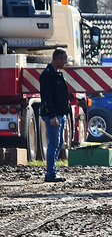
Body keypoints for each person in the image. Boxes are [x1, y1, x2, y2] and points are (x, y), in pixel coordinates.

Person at [39, 48, 70, 183]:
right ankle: (50, 173)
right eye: (64, 59)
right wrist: (52, 116)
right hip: (53, 115)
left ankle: (52, 170)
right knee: (53, 143)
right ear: (57, 59)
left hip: (60, 114)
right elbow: (46, 97)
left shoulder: (58, 74)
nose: (66, 62)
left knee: (59, 143)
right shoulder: (47, 75)